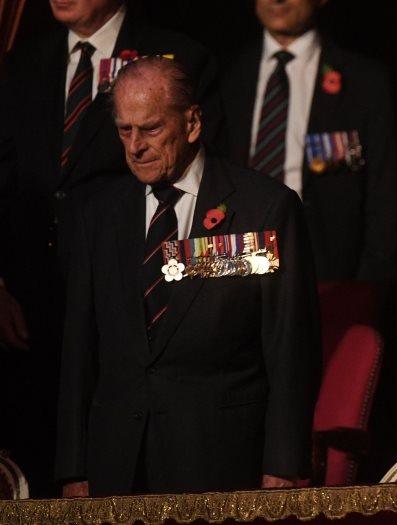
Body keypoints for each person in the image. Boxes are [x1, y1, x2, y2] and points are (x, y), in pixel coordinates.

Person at [55, 57, 320, 497]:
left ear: (193, 122)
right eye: (124, 130)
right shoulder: (96, 215)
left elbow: (291, 346)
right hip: (116, 464)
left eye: (152, 129)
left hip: (221, 460)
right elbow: (78, 351)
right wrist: (72, 467)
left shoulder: (263, 209)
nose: (135, 146)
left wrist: (283, 464)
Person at [0, 0, 217, 496]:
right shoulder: (24, 61)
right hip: (29, 311)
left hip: (131, 302)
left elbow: (200, 196)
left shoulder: (176, 58)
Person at [219, 0, 397, 282]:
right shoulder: (227, 77)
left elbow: (384, 195)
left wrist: (368, 286)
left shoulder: (364, 81)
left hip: (324, 270)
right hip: (236, 264)